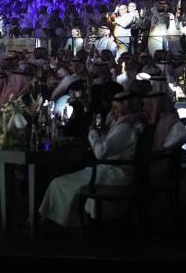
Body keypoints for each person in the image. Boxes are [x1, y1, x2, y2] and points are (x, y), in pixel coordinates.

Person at [39, 91, 145, 227]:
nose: (113, 112)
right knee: (61, 180)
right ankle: (51, 220)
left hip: (112, 175)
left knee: (58, 182)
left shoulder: (125, 128)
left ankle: (48, 223)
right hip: (111, 171)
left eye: (116, 108)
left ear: (125, 108)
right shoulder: (129, 125)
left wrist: (93, 133)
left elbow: (101, 152)